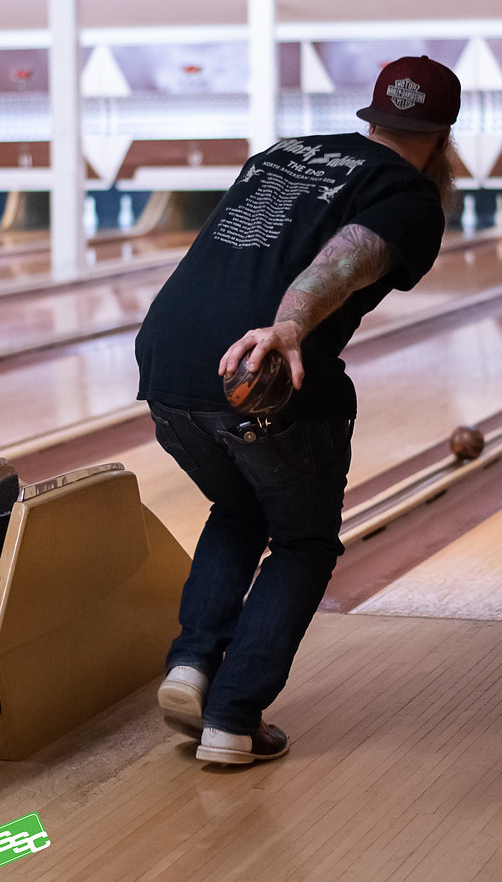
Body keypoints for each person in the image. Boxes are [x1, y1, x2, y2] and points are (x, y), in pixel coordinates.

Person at [135, 55, 461, 765]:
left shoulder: (281, 152)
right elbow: (344, 261)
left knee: (239, 509)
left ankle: (191, 665)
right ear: (442, 136)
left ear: (371, 117)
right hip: (259, 373)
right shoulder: (410, 197)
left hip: (165, 362)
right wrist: (287, 326)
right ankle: (232, 718)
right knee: (304, 542)